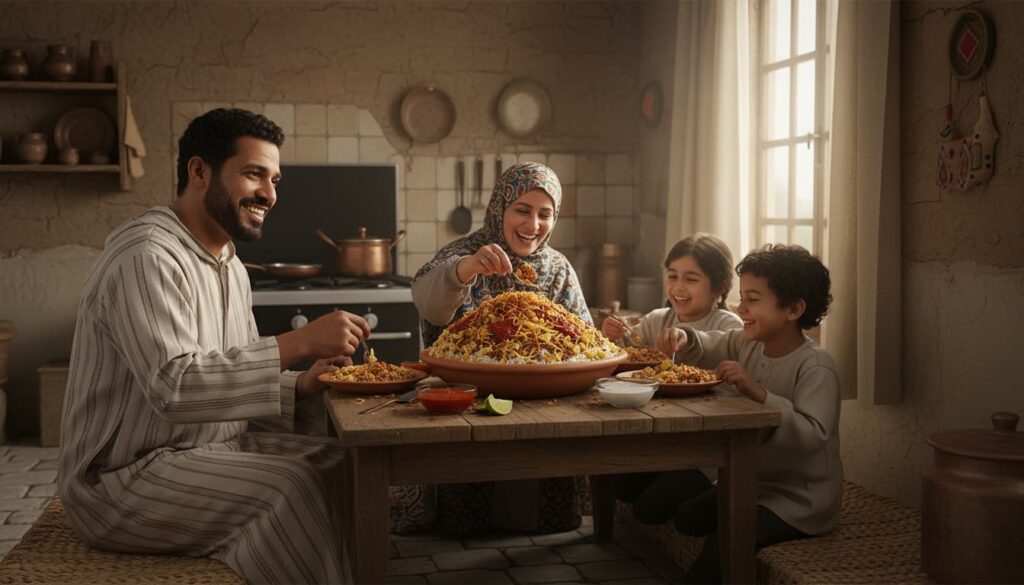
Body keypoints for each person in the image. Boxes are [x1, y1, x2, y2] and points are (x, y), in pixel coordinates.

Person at [58, 108, 370, 585]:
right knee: (293, 485)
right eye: (253, 174)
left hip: (209, 450)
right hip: (121, 480)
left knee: (344, 464)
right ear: (199, 171)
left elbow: (227, 377)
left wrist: (300, 386)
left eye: (275, 179)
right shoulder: (147, 256)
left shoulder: (229, 262)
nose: (270, 193)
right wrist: (298, 343)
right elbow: (176, 386)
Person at [409, 161, 589, 538]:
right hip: (469, 399)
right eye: (522, 210)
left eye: (545, 214)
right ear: (499, 208)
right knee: (469, 523)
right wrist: (467, 269)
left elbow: (584, 338)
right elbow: (429, 302)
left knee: (544, 525)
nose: (533, 225)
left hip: (545, 404)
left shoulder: (558, 268)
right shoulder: (464, 252)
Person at [657, 243, 841, 584]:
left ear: (794, 309)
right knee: (686, 518)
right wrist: (685, 336)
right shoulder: (748, 342)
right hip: (750, 482)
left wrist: (759, 393)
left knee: (725, 536)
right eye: (742, 298)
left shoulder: (816, 366)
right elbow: (713, 343)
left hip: (799, 501)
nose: (741, 308)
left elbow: (813, 437)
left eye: (753, 300)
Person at [601, 233, 742, 524]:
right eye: (672, 276)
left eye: (691, 279)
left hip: (706, 450)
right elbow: (628, 359)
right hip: (662, 441)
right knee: (613, 482)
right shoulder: (656, 320)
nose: (678, 287)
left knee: (648, 510)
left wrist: (686, 338)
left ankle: (707, 490)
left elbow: (720, 348)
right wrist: (612, 337)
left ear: (720, 286)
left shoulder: (729, 325)